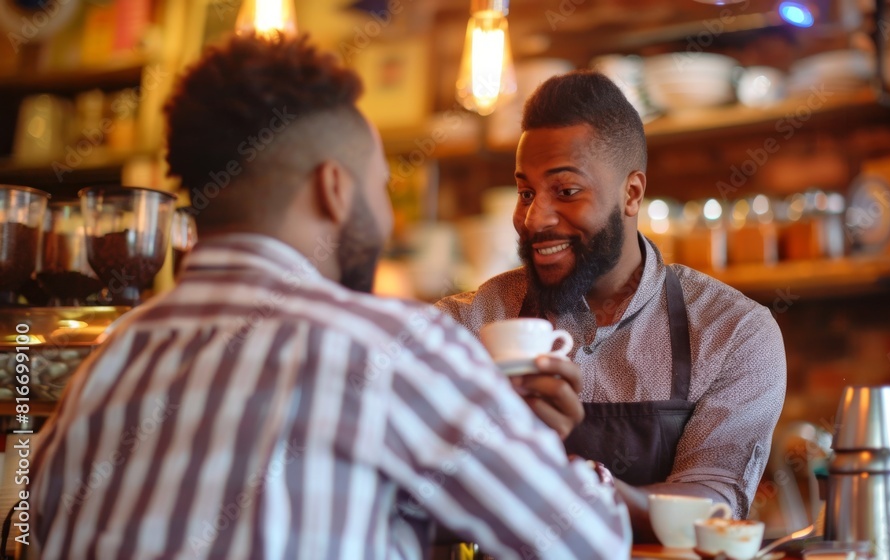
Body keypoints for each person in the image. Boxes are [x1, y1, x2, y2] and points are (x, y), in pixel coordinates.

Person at [27, 37, 630, 559]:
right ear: (334, 189)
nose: (387, 227)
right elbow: (588, 542)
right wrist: (522, 444)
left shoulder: (107, 362)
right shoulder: (387, 344)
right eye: (378, 191)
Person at [436, 70, 787, 542]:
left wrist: (579, 485)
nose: (533, 218)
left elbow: (712, 500)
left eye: (566, 191)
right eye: (525, 192)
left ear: (632, 192)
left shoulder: (732, 332)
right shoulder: (463, 323)